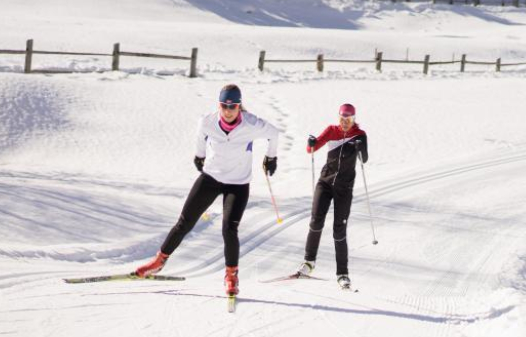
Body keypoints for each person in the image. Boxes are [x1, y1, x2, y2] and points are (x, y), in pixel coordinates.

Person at [134, 84, 281, 297]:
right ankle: (159, 261)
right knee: (184, 222)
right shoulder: (207, 122)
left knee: (229, 229)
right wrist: (199, 155)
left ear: (240, 106)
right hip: (211, 178)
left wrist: (271, 157)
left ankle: (231, 275)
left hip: (238, 185)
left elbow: (274, 134)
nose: (228, 110)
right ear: (219, 105)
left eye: (233, 106)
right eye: (224, 106)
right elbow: (199, 135)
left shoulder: (251, 124)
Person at [300, 103, 368, 289]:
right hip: (325, 182)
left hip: (344, 188)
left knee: (339, 229)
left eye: (349, 120)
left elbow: (365, 159)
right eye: (342, 119)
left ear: (353, 119)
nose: (345, 123)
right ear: (338, 118)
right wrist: (311, 143)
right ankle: (308, 263)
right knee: (316, 221)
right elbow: (311, 149)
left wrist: (360, 147)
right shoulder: (331, 131)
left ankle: (343, 274)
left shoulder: (360, 135)